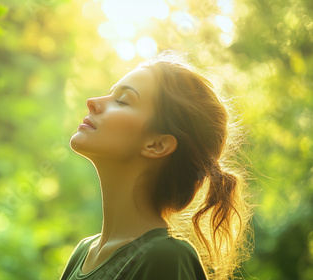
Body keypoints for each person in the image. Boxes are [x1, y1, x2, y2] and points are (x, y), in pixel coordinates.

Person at [59, 51, 253, 280]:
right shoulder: (83, 252)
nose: (92, 102)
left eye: (121, 101)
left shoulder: (166, 258)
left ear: (157, 144)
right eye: (111, 93)